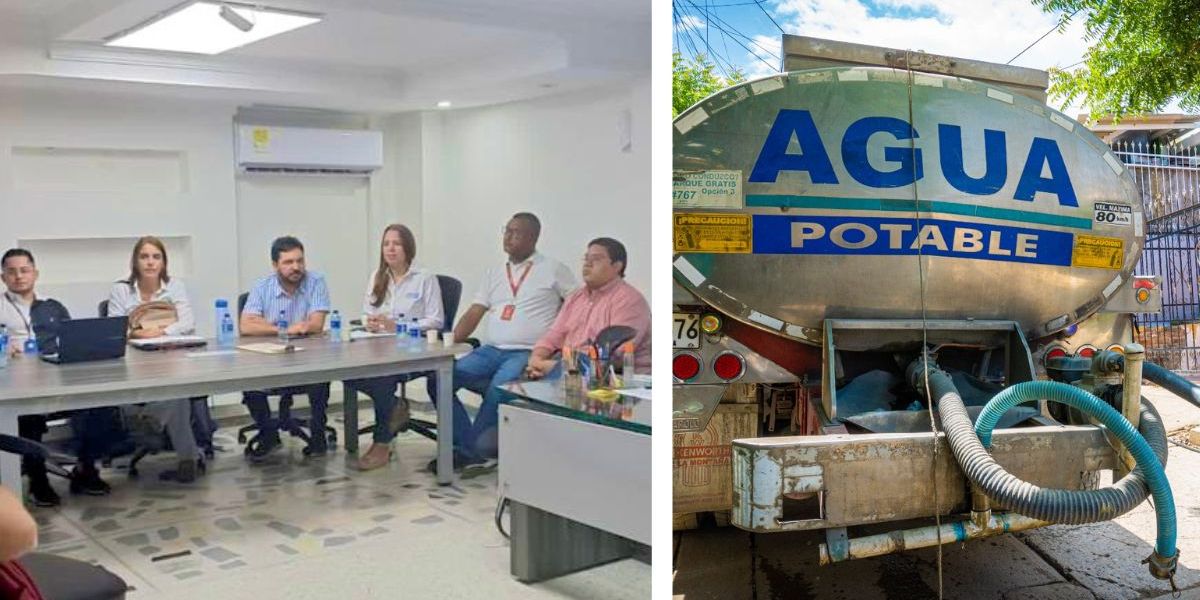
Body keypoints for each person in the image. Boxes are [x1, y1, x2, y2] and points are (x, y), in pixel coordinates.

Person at [444, 213, 576, 469]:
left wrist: (558, 349)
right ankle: (466, 443)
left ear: (533, 237)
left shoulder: (553, 269)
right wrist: (446, 343)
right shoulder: (494, 273)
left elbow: (576, 308)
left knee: (499, 388)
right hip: (491, 350)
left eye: (517, 232)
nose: (510, 237)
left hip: (526, 352)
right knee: (440, 379)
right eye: (507, 231)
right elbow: (474, 312)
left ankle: (470, 453)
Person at [0, 249, 111, 505]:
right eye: (11, 271)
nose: (19, 276)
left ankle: (85, 468)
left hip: (56, 378)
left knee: (99, 405)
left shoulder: (53, 306)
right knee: (27, 414)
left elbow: (74, 343)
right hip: (16, 383)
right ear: (3, 277)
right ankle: (38, 481)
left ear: (35, 273)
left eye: (24, 270)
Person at [106, 237, 203, 482]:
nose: (150, 262)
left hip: (169, 354)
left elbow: (187, 322)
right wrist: (137, 333)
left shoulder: (174, 287)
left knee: (177, 388)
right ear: (135, 261)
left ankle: (152, 421)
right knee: (177, 395)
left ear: (163, 262)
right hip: (133, 359)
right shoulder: (121, 289)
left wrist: (161, 332)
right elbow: (112, 328)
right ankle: (187, 458)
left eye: (156, 257)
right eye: (144, 257)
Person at [346, 224, 444, 471]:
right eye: (386, 243)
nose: (390, 249)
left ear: (408, 248)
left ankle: (382, 443)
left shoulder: (424, 278)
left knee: (382, 380)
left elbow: (436, 320)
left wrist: (396, 325)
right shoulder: (377, 276)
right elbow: (366, 312)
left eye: (396, 243)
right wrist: (371, 322)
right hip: (379, 346)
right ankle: (394, 407)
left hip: (413, 350)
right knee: (348, 374)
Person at [239, 236, 332, 461]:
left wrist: (267, 326)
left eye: (300, 261)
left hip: (309, 358)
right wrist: (286, 330)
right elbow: (246, 325)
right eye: (288, 262)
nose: (296, 267)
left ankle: (318, 435)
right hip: (269, 360)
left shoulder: (316, 281)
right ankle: (268, 433)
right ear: (275, 265)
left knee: (321, 377)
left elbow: (316, 323)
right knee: (248, 382)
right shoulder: (262, 287)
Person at [525, 237, 651, 379]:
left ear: (617, 266)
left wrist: (548, 366)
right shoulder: (576, 297)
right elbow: (554, 334)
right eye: (586, 259)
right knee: (513, 388)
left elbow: (612, 356)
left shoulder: (629, 300)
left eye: (596, 259)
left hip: (613, 376)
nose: (588, 264)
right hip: (568, 365)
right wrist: (536, 358)